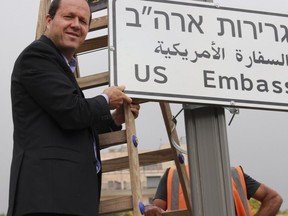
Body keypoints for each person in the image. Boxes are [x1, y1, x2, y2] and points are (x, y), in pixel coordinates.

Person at [8, 0, 140, 215]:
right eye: (68, 17)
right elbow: (72, 112)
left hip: (64, 198)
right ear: (49, 21)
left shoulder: (58, 65)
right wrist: (105, 99)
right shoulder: (37, 57)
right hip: (47, 200)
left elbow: (67, 126)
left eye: (83, 21)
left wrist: (114, 119)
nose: (76, 25)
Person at [145, 165, 283, 216]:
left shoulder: (233, 175)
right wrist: (148, 209)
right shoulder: (174, 176)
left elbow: (274, 199)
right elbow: (155, 210)